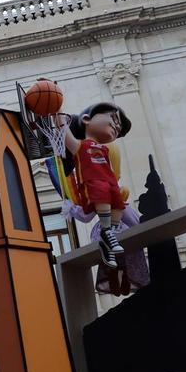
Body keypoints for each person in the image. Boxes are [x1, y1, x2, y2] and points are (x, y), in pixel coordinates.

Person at [62, 102, 132, 268]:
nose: (116, 126)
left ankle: (109, 236)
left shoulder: (105, 149)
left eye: (119, 127)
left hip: (108, 182)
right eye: (113, 119)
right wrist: (58, 111)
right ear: (86, 119)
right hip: (93, 183)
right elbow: (64, 133)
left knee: (118, 202)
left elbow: (108, 169)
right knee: (102, 194)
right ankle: (107, 231)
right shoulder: (80, 146)